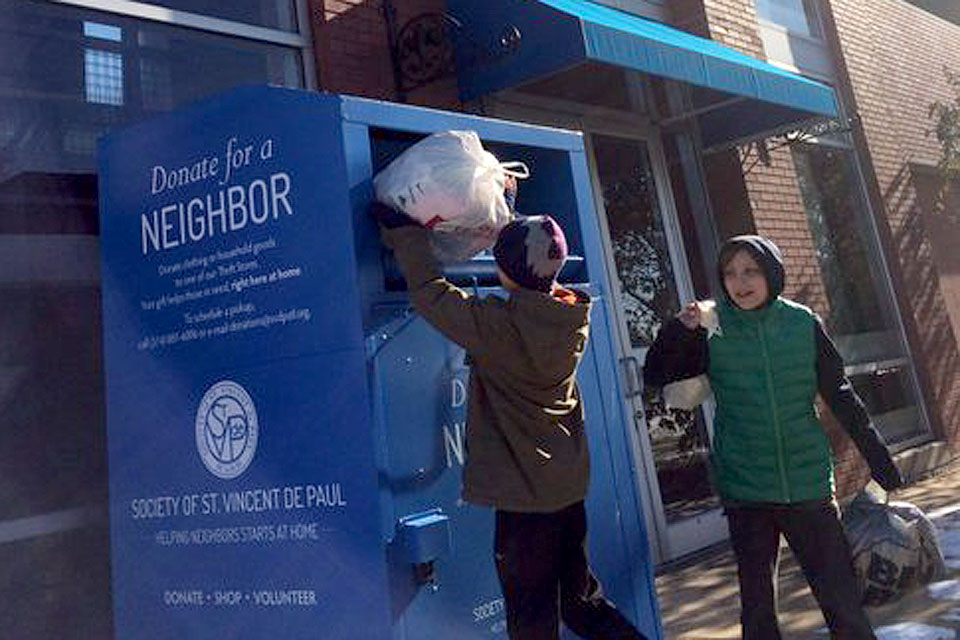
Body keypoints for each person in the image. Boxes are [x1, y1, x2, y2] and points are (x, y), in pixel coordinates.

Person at [371, 195, 647, 640]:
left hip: (525, 503)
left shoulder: (498, 326)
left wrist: (405, 233)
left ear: (505, 270)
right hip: (566, 490)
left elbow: (431, 294)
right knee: (579, 602)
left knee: (531, 618)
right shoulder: (569, 316)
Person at [643, 235, 903, 640]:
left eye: (750, 270)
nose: (739, 282)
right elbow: (656, 374)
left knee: (842, 604)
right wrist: (680, 329)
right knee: (758, 613)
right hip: (746, 488)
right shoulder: (713, 328)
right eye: (730, 273)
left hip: (808, 484)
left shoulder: (802, 323)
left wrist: (880, 459)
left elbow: (841, 395)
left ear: (771, 273)